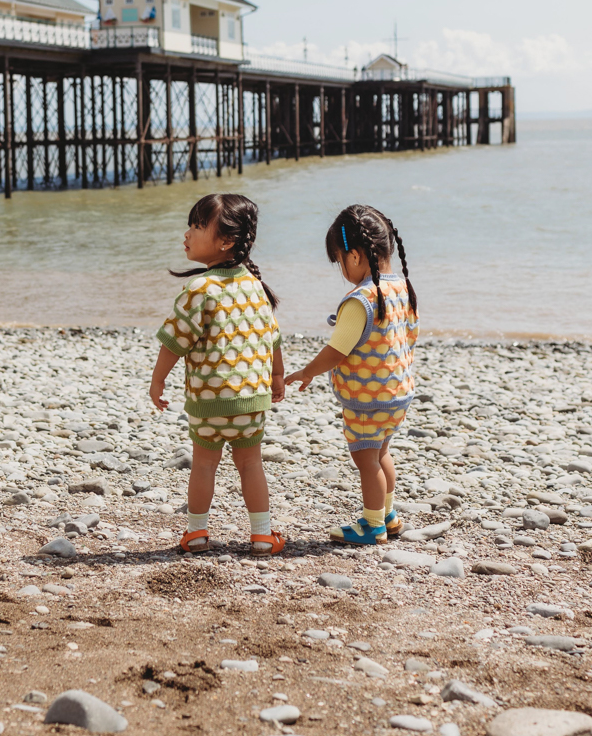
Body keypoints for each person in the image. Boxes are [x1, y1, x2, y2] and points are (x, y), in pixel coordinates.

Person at [151, 192, 286, 556]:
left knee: (205, 463)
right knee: (251, 464)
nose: (188, 233)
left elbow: (175, 341)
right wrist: (276, 378)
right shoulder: (256, 287)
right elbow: (271, 338)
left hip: (209, 404)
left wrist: (158, 379)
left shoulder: (199, 288)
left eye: (197, 226)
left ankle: (196, 533)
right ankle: (261, 535)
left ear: (226, 241)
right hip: (251, 402)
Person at [285, 204, 418, 545]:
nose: (340, 268)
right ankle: (388, 515)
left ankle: (372, 525)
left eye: (339, 261)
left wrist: (306, 371)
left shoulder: (361, 299)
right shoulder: (401, 288)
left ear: (355, 256)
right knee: (381, 452)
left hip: (367, 399)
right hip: (398, 394)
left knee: (365, 459)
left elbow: (337, 349)